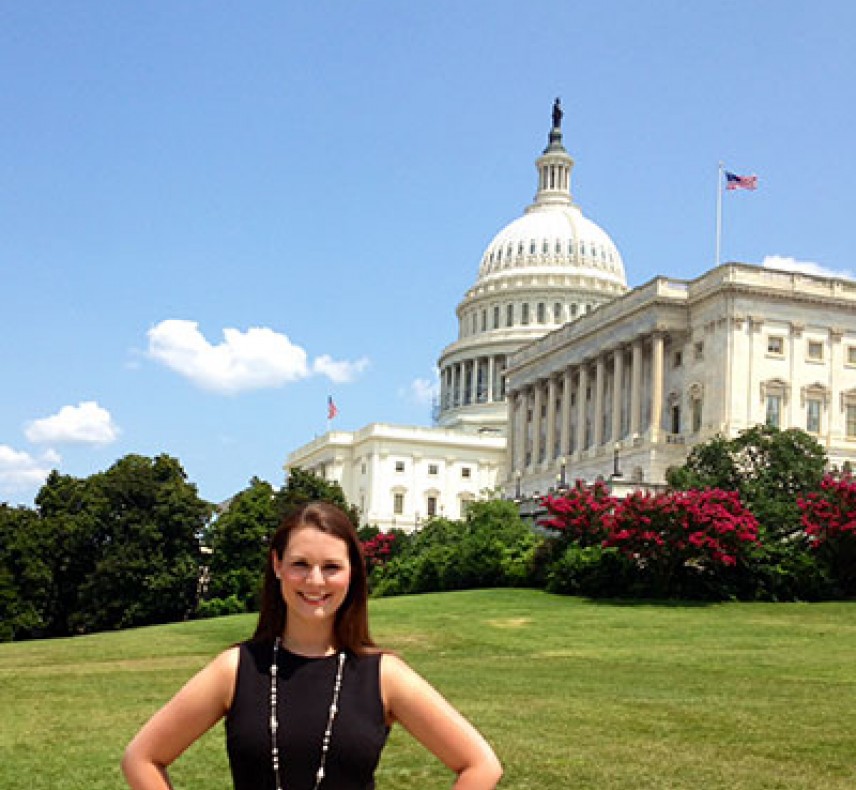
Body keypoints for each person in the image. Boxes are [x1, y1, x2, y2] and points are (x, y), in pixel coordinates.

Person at [122, 501, 503, 790]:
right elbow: (142, 758)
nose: (315, 581)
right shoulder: (236, 669)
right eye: (300, 564)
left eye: (332, 567)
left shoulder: (383, 676)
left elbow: (481, 765)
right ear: (277, 566)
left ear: (352, 573)